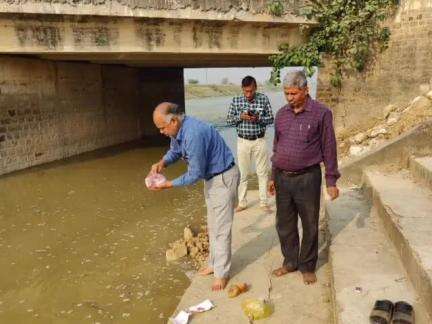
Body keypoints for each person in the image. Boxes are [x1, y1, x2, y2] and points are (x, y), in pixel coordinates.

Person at [148, 102, 239, 291]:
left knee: (221, 229)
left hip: (223, 178)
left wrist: (168, 184)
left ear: (173, 120)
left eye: (162, 128)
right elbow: (175, 151)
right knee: (213, 226)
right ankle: (214, 264)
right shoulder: (179, 130)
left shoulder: (193, 134)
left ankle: (222, 274)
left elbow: (194, 173)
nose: (161, 132)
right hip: (212, 178)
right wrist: (162, 163)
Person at [268, 70, 340, 285]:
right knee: (284, 224)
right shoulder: (281, 114)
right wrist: (273, 176)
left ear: (306, 90)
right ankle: (290, 262)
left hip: (308, 177)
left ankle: (307, 265)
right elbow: (276, 146)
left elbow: (329, 148)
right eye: (286, 93)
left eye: (294, 93)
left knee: (310, 223)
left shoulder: (321, 113)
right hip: (282, 177)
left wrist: (331, 181)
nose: (290, 98)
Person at [226, 76, 274, 212]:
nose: (248, 95)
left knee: (262, 172)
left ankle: (264, 203)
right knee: (243, 174)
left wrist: (258, 118)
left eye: (251, 91)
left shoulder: (263, 99)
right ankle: (242, 202)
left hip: (260, 140)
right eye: (246, 91)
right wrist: (240, 117)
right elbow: (228, 120)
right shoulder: (236, 100)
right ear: (242, 89)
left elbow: (271, 119)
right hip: (243, 141)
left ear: (255, 88)